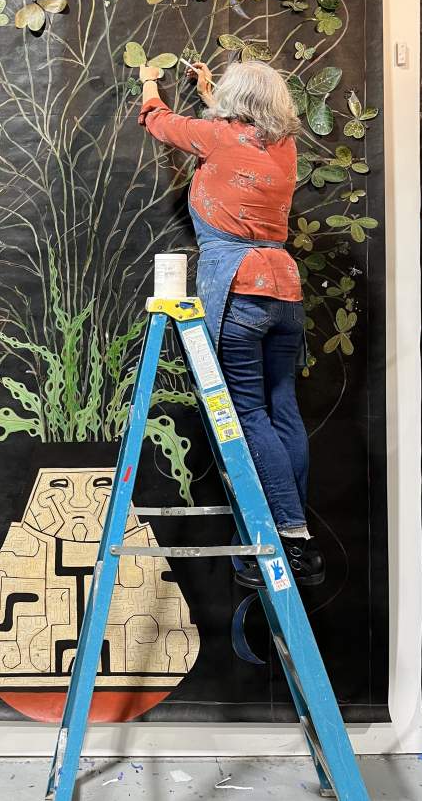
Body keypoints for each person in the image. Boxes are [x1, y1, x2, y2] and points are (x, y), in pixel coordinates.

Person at [137, 59, 324, 588]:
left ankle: (288, 535)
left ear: (232, 104)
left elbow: (159, 121)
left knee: (246, 414)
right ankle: (296, 533)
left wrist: (150, 80)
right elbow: (248, 126)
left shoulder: (216, 136)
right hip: (284, 290)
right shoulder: (284, 148)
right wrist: (212, 90)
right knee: (282, 409)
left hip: (240, 286)